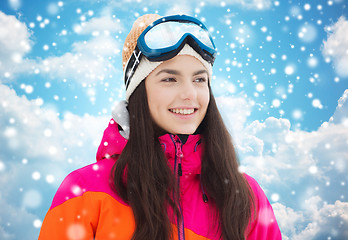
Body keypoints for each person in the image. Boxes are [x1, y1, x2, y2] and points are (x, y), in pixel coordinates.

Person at [39, 14, 282, 240]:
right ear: (138, 91)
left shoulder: (247, 196)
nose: (190, 94)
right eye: (169, 79)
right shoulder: (85, 190)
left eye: (199, 79)